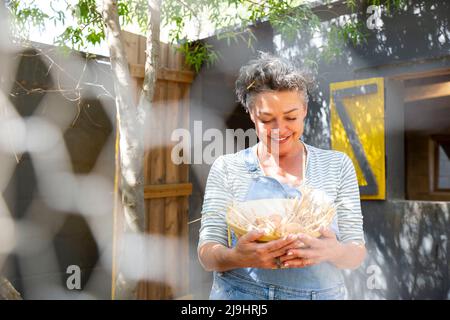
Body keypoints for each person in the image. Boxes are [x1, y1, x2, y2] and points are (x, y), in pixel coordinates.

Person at [197, 52, 366, 300]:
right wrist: (237, 257)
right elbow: (207, 254)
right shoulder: (227, 168)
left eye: (291, 117)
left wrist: (333, 252)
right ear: (252, 114)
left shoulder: (337, 166)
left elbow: (356, 251)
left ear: (305, 110)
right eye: (267, 119)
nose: (280, 129)